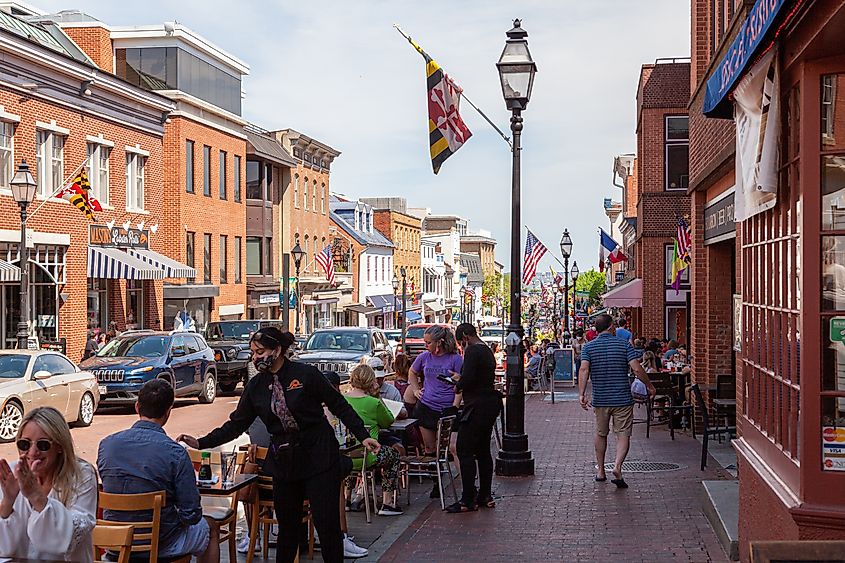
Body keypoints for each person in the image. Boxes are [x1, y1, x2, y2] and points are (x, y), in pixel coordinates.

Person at [177, 327, 379, 563]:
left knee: (327, 526)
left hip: (319, 455)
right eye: (253, 353)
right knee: (287, 529)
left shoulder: (305, 375)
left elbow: (338, 404)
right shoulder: (256, 387)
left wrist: (362, 435)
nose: (256, 358)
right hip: (285, 461)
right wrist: (201, 442)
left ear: (278, 350)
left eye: (261, 352)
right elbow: (236, 424)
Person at [98, 379, 218, 562]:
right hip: (161, 544)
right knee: (211, 526)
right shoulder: (176, 453)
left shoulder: (107, 445)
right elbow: (192, 513)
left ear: (137, 407)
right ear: (168, 412)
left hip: (114, 542)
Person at [0, 406, 97, 562]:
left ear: (59, 446)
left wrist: (36, 497)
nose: (32, 453)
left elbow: (69, 538)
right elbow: (4, 549)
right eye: (24, 444)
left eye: (43, 445)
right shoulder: (11, 474)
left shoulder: (81, 475)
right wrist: (7, 502)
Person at [578, 314, 655, 489]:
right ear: (611, 326)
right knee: (623, 434)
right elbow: (636, 368)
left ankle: (600, 471)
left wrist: (581, 394)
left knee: (601, 433)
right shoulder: (624, 345)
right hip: (622, 398)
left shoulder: (588, 348)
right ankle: (618, 466)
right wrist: (649, 386)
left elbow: (584, 369)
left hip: (601, 398)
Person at [446, 324, 502, 513]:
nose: (461, 345)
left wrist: (457, 384)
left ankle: (468, 498)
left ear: (467, 336)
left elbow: (468, 378)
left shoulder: (472, 351)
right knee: (483, 450)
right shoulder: (486, 350)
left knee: (464, 449)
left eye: (461, 341)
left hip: (475, 406)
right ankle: (485, 494)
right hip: (489, 404)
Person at [343, 364, 403, 516]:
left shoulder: (342, 400)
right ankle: (387, 502)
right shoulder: (373, 402)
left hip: (345, 454)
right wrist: (378, 397)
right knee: (394, 456)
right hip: (369, 455)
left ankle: (346, 498)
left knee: (351, 459)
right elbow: (388, 421)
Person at [404, 325, 463, 457]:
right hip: (427, 406)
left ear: (439, 342)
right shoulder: (424, 357)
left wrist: (455, 406)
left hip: (448, 407)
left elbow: (461, 385)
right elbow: (412, 372)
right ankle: (436, 475)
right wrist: (415, 389)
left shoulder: (455, 359)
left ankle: (463, 475)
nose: (425, 345)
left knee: (452, 447)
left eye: (428, 343)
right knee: (429, 448)